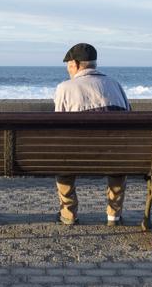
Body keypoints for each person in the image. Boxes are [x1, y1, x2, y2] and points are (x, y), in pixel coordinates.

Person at [53, 43, 131, 226]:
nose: (68, 69)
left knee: (62, 164)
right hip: (113, 156)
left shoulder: (65, 87)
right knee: (117, 164)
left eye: (68, 65)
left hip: (76, 156)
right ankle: (114, 215)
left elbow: (58, 124)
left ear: (76, 64)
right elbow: (129, 116)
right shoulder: (115, 85)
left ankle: (69, 213)